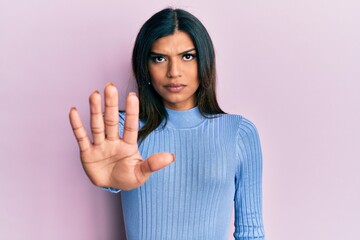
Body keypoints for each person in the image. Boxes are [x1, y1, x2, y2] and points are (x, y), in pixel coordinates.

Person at [69, 8, 264, 240]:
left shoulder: (238, 133)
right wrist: (110, 180)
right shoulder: (124, 131)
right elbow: (113, 168)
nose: (174, 72)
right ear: (145, 67)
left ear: (205, 62)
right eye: (159, 58)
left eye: (187, 56)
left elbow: (251, 232)